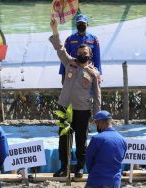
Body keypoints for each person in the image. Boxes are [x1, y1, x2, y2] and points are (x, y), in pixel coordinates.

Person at [49, 18, 101, 178]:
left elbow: (97, 96)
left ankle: (79, 167)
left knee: (80, 140)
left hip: (82, 110)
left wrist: (97, 116)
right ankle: (64, 167)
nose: (81, 56)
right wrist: (55, 30)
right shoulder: (69, 63)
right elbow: (59, 48)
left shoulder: (94, 73)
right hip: (64, 107)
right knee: (64, 138)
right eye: (79, 54)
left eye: (84, 54)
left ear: (89, 55)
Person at [85, 110, 127, 188]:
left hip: (96, 180)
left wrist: (94, 172)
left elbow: (88, 160)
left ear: (101, 122)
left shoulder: (96, 139)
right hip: (115, 182)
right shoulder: (123, 140)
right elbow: (121, 160)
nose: (96, 125)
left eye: (96, 123)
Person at [58, 14, 101, 84]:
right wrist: (63, 75)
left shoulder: (94, 39)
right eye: (79, 23)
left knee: (87, 92)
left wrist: (98, 75)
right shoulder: (70, 39)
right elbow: (64, 58)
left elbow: (97, 59)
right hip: (74, 71)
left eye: (83, 23)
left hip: (88, 72)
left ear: (87, 25)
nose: (81, 25)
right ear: (76, 25)